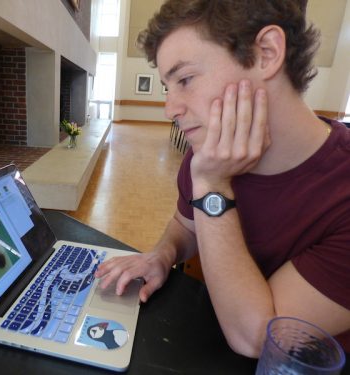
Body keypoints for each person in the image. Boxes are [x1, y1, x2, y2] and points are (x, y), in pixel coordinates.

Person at [95, 0, 350, 357]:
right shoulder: (209, 154)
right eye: (168, 86)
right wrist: (162, 254)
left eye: (185, 79)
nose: (170, 109)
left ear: (266, 54)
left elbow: (258, 338)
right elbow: (186, 226)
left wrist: (213, 186)